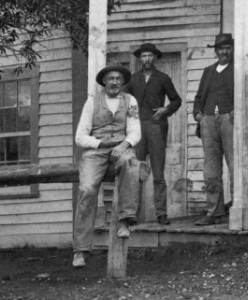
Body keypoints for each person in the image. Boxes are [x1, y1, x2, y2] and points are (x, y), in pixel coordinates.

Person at [71, 64, 141, 268]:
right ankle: (80, 250)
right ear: (104, 81)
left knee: (131, 163)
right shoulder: (92, 102)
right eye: (110, 78)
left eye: (118, 78)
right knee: (87, 189)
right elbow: (80, 137)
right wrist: (100, 144)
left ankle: (125, 220)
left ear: (122, 82)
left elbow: (135, 131)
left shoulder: (130, 101)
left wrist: (124, 144)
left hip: (121, 146)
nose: (114, 82)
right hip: (96, 149)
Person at [193, 33, 248, 225]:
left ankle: (236, 208)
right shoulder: (208, 71)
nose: (224, 51)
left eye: (228, 47)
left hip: (230, 121)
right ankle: (214, 212)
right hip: (208, 121)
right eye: (221, 48)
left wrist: (236, 111)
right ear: (215, 51)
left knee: (234, 166)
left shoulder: (240, 69)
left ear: (233, 49)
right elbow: (198, 97)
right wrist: (199, 114)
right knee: (210, 170)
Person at [123, 42, 181, 225]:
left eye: (150, 56)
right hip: (137, 130)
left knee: (158, 174)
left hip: (156, 127)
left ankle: (161, 213)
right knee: (136, 172)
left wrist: (165, 110)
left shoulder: (163, 78)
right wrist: (131, 118)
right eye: (144, 56)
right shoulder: (132, 79)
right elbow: (124, 102)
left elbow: (176, 100)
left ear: (155, 58)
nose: (147, 59)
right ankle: (133, 214)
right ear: (140, 59)